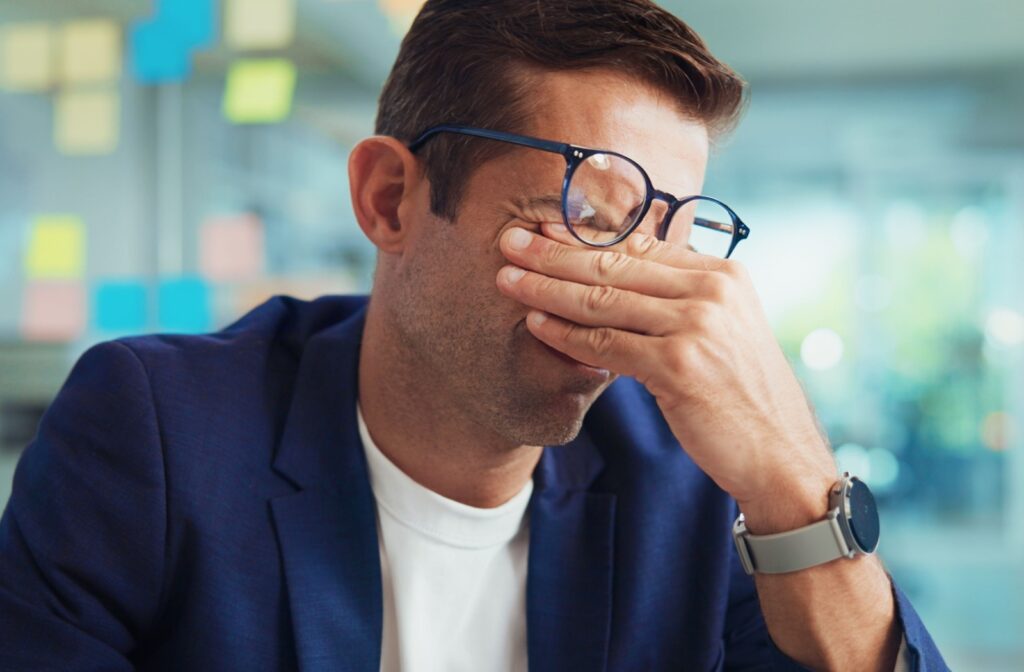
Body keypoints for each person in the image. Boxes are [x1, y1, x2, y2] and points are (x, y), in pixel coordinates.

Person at [0, 1, 948, 670]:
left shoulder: (697, 484)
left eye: (673, 231)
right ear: (390, 199)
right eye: (590, 214)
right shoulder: (158, 429)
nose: (639, 291)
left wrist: (793, 486)